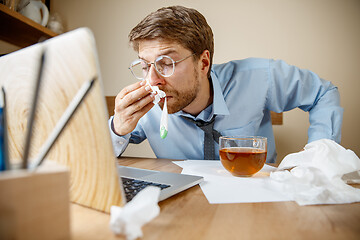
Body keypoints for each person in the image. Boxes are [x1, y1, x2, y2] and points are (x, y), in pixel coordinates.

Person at [109, 5, 343, 163]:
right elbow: (97, 158)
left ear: (203, 62)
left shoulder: (260, 77)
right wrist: (117, 129)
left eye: (166, 62)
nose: (153, 80)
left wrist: (319, 155)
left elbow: (322, 93)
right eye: (144, 65)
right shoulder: (147, 105)